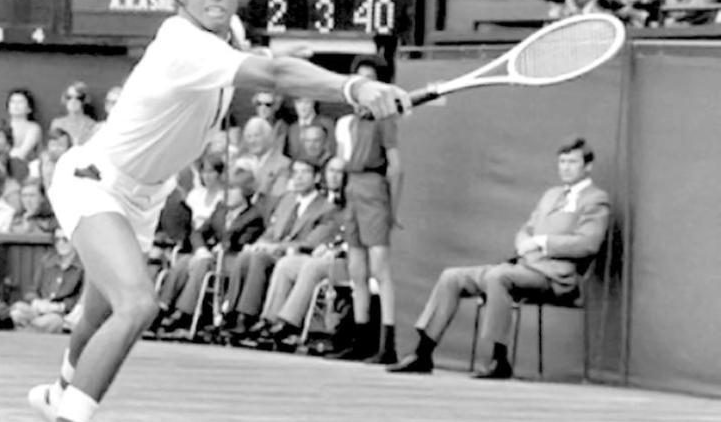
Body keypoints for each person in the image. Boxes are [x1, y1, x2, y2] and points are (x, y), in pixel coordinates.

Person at [30, 0, 411, 422]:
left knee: (98, 315)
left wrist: (287, 58)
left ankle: (61, 394)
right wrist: (354, 87)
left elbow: (260, 58)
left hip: (143, 197)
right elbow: (272, 73)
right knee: (137, 305)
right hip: (94, 181)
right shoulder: (181, 43)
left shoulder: (227, 32)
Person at [387, 138, 610, 379]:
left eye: (573, 162)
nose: (565, 167)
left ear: (587, 167)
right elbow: (528, 228)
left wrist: (541, 243)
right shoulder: (551, 195)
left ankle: (498, 359)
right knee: (452, 277)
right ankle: (423, 352)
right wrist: (524, 241)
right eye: (562, 161)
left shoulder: (595, 199)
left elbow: (588, 243)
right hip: (524, 266)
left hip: (557, 277)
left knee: (498, 277)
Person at [329, 56, 404, 365]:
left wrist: (393, 210)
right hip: (352, 188)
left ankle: (388, 343)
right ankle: (361, 338)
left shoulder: (384, 120)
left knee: (380, 269)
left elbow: (396, 167)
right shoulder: (353, 121)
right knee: (356, 269)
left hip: (373, 188)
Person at [222, 158, 339, 337]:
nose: (298, 178)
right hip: (274, 250)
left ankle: (248, 316)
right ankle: (230, 312)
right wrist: (259, 244)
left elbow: (311, 242)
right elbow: (271, 231)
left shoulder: (326, 208)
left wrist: (274, 248)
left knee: (259, 258)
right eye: (295, 173)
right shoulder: (287, 200)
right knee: (246, 255)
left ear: (316, 178)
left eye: (304, 173)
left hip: (295, 254)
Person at [157, 173, 264, 334]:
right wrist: (201, 248)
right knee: (186, 260)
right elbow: (199, 232)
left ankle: (184, 312)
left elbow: (239, 242)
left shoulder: (253, 216)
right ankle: (163, 305)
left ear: (245, 194)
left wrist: (220, 245)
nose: (226, 194)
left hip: (231, 259)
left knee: (203, 263)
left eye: (233, 190)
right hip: (212, 255)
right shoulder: (220, 209)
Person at [7, 228, 85, 333]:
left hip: (60, 314)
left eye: (65, 239)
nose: (61, 243)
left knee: (53, 321)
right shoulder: (47, 261)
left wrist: (59, 307)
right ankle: (34, 328)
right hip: (39, 310)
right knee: (17, 310)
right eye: (57, 240)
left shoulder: (82, 267)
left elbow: (79, 298)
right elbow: (32, 290)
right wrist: (37, 302)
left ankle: (28, 330)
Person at [50, 81, 97, 146]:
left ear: (85, 100)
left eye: (79, 98)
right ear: (64, 99)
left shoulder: (92, 125)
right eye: (69, 97)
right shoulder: (57, 123)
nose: (73, 101)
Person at [4, 88, 43, 160]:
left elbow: (23, 152)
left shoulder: (33, 128)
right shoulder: (2, 125)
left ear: (29, 108)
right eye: (12, 101)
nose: (16, 105)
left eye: (20, 102)